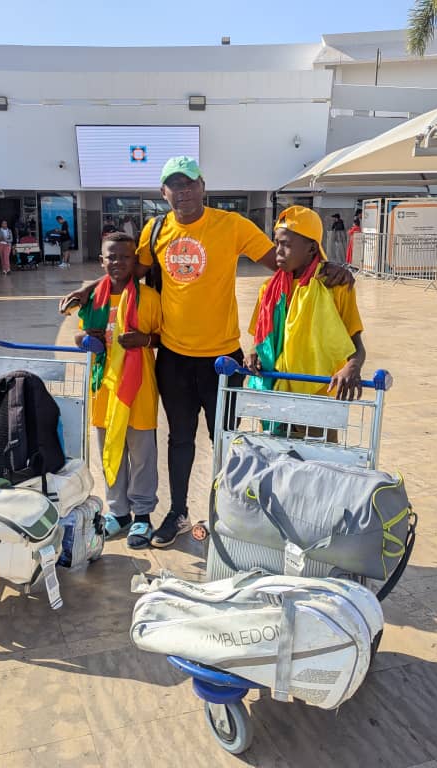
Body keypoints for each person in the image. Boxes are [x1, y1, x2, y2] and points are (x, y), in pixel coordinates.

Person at [59, 156, 352, 548]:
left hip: (222, 359)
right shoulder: (156, 229)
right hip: (175, 358)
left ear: (202, 186)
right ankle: (178, 511)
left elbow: (283, 261)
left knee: (226, 440)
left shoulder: (231, 225)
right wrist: (90, 288)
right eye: (173, 186)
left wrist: (330, 268)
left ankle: (230, 514)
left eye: (188, 184)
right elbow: (128, 270)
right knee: (180, 439)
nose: (182, 192)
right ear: (163, 193)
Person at [75, 232, 163, 550]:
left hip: (138, 388)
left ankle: (142, 514)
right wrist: (85, 339)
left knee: (142, 454)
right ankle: (119, 512)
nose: (118, 262)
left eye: (125, 257)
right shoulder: (92, 301)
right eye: (111, 257)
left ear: (135, 262)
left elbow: (164, 338)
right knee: (110, 451)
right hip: (104, 390)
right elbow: (80, 336)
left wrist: (146, 340)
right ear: (102, 261)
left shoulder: (149, 299)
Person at [248, 206, 366, 406]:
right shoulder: (268, 290)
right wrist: (253, 353)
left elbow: (356, 344)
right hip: (275, 392)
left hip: (319, 392)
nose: (278, 251)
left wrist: (352, 367)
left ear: (311, 248)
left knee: (318, 439)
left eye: (285, 245)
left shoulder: (334, 286)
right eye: (276, 243)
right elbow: (259, 338)